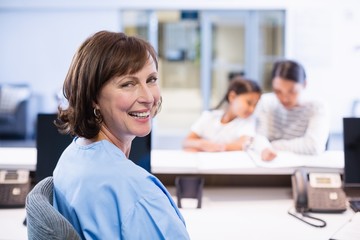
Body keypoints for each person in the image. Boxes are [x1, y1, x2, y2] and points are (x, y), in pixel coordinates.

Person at [52, 31, 190, 239]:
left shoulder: (72, 157)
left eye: (151, 80)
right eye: (128, 84)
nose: (148, 97)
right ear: (93, 97)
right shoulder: (138, 194)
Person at [183, 76, 275, 159]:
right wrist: (202, 144)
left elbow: (242, 144)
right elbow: (186, 142)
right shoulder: (209, 116)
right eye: (249, 103)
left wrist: (214, 147)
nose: (252, 109)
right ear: (232, 97)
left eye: (255, 105)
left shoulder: (248, 121)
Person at [256, 59, 330, 156]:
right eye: (278, 91)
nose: (285, 98)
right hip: (269, 166)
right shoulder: (266, 102)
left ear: (304, 84)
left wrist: (270, 146)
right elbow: (257, 138)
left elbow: (314, 146)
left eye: (292, 91)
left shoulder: (317, 106)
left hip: (301, 167)